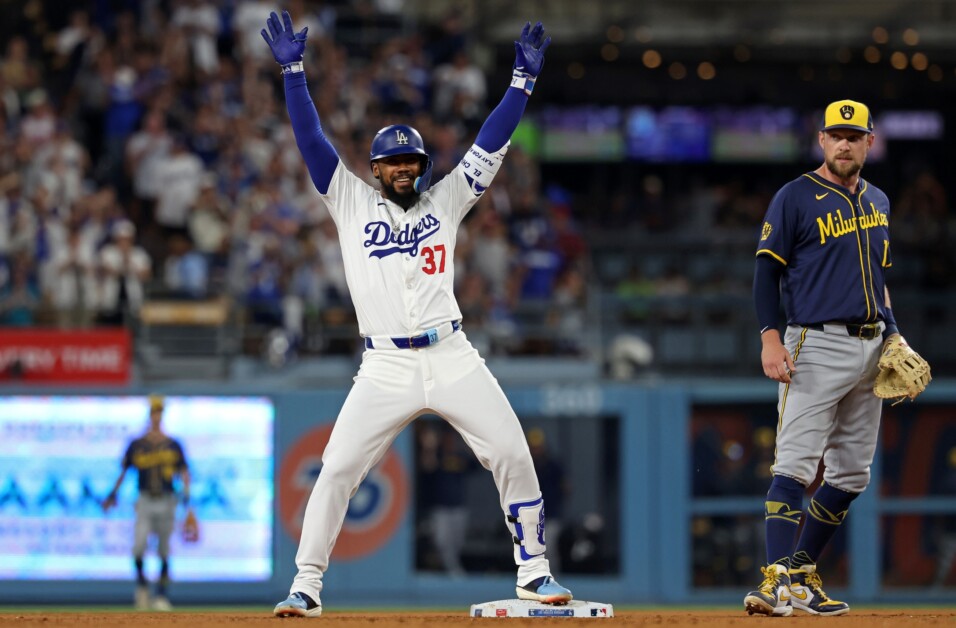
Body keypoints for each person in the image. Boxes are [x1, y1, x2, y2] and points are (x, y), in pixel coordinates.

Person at [260, 10, 571, 618]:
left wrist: (520, 84)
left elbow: (490, 143)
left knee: (511, 452)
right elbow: (311, 140)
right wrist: (294, 74)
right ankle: (306, 585)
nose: (404, 168)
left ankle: (534, 573)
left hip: (451, 352)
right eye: (393, 162)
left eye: (412, 160)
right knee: (339, 469)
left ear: (422, 165)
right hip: (383, 364)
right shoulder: (347, 199)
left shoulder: (446, 199)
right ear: (375, 170)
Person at [744, 100, 922, 617]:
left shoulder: (880, 200)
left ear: (870, 142)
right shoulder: (795, 196)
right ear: (821, 140)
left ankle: (800, 573)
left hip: (872, 346)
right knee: (795, 466)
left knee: (851, 476)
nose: (845, 143)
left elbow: (879, 283)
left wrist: (896, 338)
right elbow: (765, 273)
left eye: (855, 135)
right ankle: (774, 581)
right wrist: (769, 338)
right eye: (836, 134)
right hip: (814, 342)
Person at [102, 395, 191, 612]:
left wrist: (188, 496)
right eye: (154, 412)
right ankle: (142, 586)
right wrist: (113, 494)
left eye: (160, 412)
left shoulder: (173, 444)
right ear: (150, 415)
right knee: (139, 547)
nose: (157, 416)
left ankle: (161, 596)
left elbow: (184, 472)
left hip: (168, 499)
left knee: (164, 550)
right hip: (144, 499)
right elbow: (124, 471)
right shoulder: (137, 444)